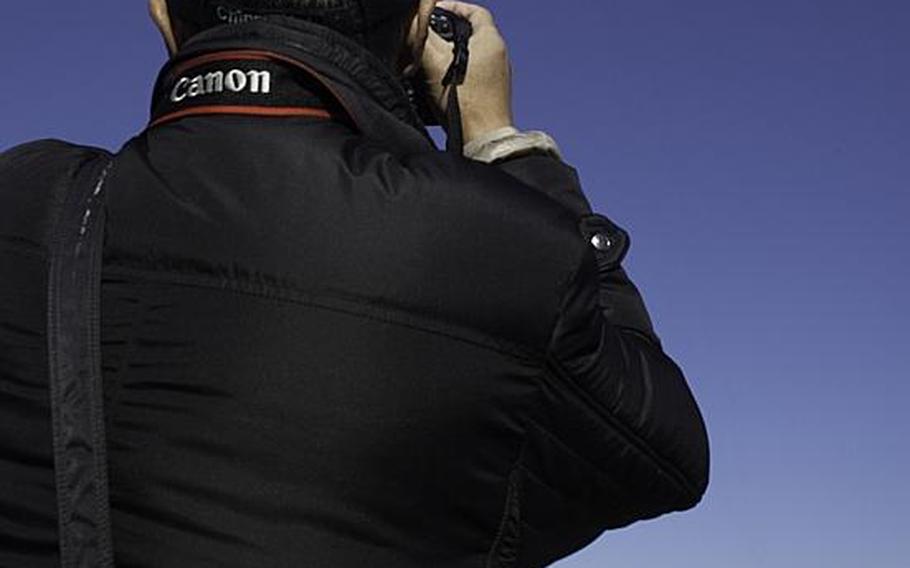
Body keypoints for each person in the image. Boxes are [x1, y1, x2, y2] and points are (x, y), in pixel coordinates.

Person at [0, 1, 710, 566]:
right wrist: (503, 143)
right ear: (418, 26)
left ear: (162, 12)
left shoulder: (24, 197)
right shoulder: (497, 247)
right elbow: (664, 454)